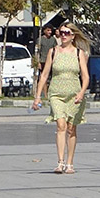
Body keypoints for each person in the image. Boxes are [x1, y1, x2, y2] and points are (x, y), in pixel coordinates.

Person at [33, 22, 90, 174]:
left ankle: (70, 163)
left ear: (73, 36)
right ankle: (60, 162)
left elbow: (85, 76)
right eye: (62, 32)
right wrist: (38, 97)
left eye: (67, 33)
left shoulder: (79, 53)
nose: (63, 35)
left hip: (74, 94)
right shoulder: (53, 52)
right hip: (56, 93)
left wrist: (82, 92)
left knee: (71, 128)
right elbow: (44, 75)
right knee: (60, 125)